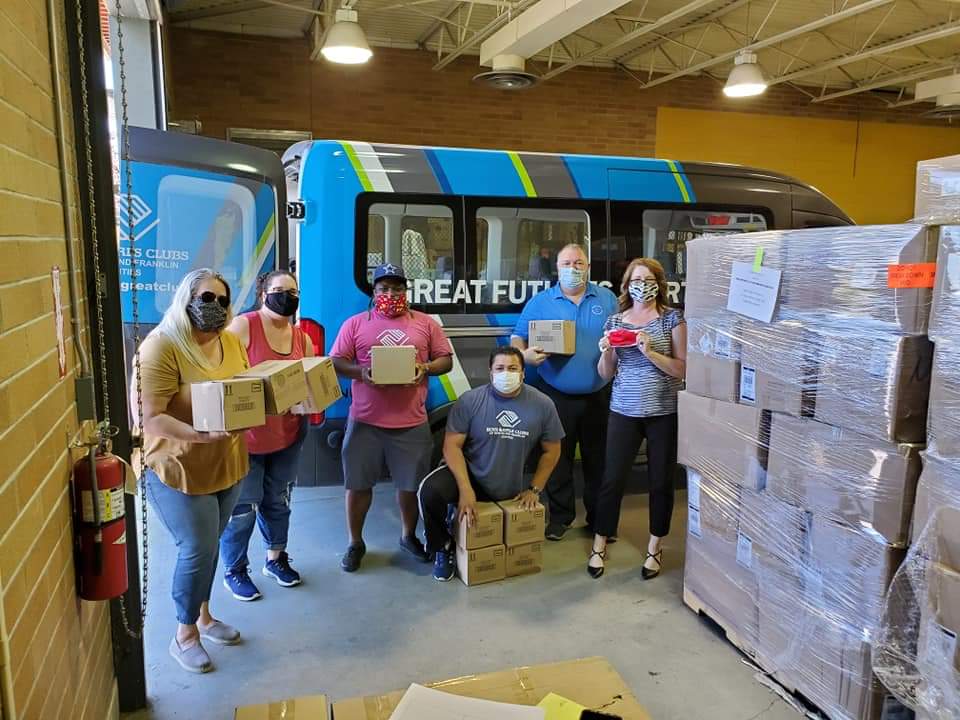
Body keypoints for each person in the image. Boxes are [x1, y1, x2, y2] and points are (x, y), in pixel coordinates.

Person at [134, 268, 249, 674]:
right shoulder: (161, 346)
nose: (214, 307)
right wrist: (202, 436)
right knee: (197, 546)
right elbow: (151, 416)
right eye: (205, 298)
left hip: (227, 461)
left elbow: (245, 390)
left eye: (221, 300)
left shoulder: (231, 341)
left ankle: (204, 616)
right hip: (178, 466)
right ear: (186, 299)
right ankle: (184, 635)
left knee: (212, 543)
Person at [330, 263, 454, 572]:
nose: (391, 294)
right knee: (357, 486)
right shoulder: (355, 324)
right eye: (384, 288)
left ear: (406, 291)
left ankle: (408, 536)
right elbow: (336, 361)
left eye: (397, 288)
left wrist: (425, 368)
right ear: (374, 292)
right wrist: (362, 372)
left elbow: (445, 360)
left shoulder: (426, 324)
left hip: (411, 422)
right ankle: (355, 543)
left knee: (410, 486)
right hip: (365, 422)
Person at [417, 346, 564, 581]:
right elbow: (451, 446)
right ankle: (442, 546)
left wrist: (535, 489)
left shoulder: (542, 405)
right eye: (500, 368)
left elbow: (552, 450)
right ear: (490, 372)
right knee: (430, 491)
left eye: (513, 368)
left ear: (523, 373)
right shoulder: (470, 401)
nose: (506, 373)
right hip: (469, 475)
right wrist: (465, 490)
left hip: (507, 482)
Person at [511, 243, 618, 541]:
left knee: (600, 460)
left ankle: (600, 521)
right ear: (557, 268)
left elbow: (622, 333)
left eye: (579, 263)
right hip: (555, 394)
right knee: (558, 460)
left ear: (587, 266)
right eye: (566, 263)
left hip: (600, 393)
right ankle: (561, 518)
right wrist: (526, 356)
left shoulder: (607, 298)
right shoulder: (541, 301)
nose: (573, 268)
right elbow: (517, 336)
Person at [587, 258, 686, 580]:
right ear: (626, 285)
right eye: (635, 279)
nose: (642, 284)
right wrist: (606, 350)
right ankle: (599, 544)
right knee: (611, 479)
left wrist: (650, 352)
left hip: (663, 413)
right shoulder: (616, 321)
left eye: (648, 278)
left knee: (660, 482)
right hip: (623, 411)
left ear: (659, 283)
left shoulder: (673, 320)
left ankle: (655, 547)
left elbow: (683, 369)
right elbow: (605, 373)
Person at [219, 270, 314, 601]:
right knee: (242, 508)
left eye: (293, 291)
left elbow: (308, 382)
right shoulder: (244, 326)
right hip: (247, 437)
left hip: (287, 436)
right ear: (263, 294)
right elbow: (223, 373)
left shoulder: (302, 338)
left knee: (278, 501)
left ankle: (275, 559)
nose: (286, 296)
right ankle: (235, 569)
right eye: (279, 290)